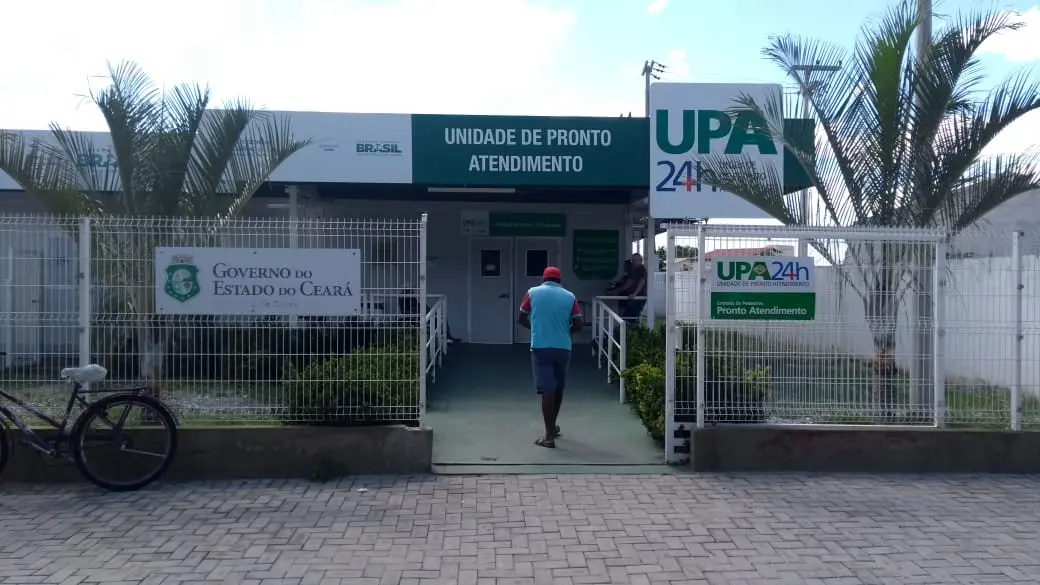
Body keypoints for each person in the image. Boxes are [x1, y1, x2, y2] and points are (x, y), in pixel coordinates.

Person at [517, 266, 583, 449]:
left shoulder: (532, 293)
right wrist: (566, 332)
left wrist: (535, 328)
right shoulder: (570, 296)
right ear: (560, 280)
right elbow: (579, 324)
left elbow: (521, 318)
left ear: (543, 279)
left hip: (540, 347)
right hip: (563, 348)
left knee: (547, 389)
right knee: (558, 388)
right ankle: (552, 427)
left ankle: (548, 437)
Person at [613, 253, 647, 324]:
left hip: (638, 298)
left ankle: (631, 329)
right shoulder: (634, 271)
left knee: (631, 317)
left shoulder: (640, 268)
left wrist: (634, 294)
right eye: (633, 260)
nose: (634, 262)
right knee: (628, 316)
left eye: (636, 260)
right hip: (634, 298)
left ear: (640, 260)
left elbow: (642, 281)